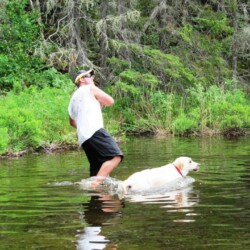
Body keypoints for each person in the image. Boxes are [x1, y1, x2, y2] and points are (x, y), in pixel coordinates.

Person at [68, 69, 123, 182]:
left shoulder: (73, 98)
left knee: (98, 169)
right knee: (115, 156)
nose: (92, 78)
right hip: (95, 131)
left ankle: (97, 195)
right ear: (81, 80)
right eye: (89, 76)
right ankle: (94, 186)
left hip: (84, 138)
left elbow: (72, 122)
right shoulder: (90, 88)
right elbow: (110, 101)